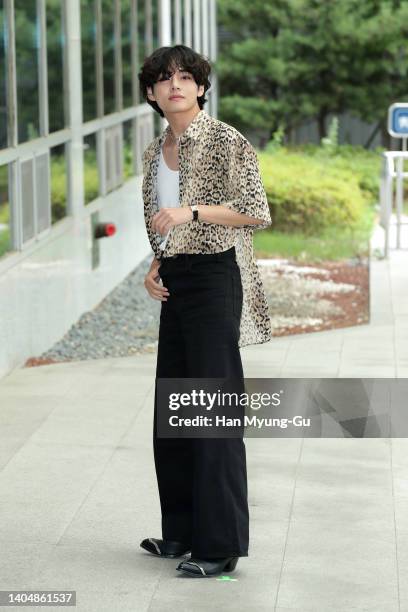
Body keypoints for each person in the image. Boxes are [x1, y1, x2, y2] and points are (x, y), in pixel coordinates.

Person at [137, 44, 272, 577]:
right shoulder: (154, 151)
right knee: (173, 408)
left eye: (186, 77)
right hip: (176, 279)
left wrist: (190, 209)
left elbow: (256, 211)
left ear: (199, 87)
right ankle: (182, 533)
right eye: (165, 79)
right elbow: (159, 220)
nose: (176, 85)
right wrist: (155, 264)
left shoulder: (223, 140)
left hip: (216, 276)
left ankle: (219, 547)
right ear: (152, 93)